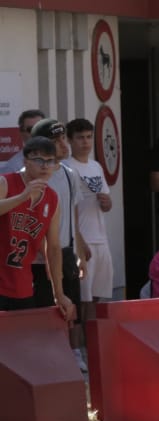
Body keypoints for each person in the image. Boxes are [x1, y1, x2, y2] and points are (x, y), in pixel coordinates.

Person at [0, 136, 74, 324]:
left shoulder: (52, 198)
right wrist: (23, 196)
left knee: (21, 346)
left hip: (22, 284)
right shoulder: (6, 182)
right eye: (39, 160)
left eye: (50, 161)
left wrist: (59, 294)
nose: (45, 166)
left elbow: (54, 248)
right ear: (25, 161)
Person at [64, 118, 114, 311]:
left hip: (101, 239)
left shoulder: (96, 166)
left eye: (88, 137)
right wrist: (80, 241)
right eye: (79, 138)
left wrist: (108, 203)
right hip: (81, 240)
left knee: (97, 296)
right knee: (82, 299)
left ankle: (92, 340)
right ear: (69, 140)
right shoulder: (67, 168)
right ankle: (82, 341)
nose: (85, 142)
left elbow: (107, 205)